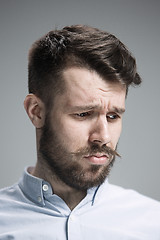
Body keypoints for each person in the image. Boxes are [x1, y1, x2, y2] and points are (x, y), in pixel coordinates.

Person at [0, 25, 160, 240]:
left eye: (113, 116)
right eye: (84, 114)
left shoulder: (153, 223)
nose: (103, 137)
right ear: (36, 112)